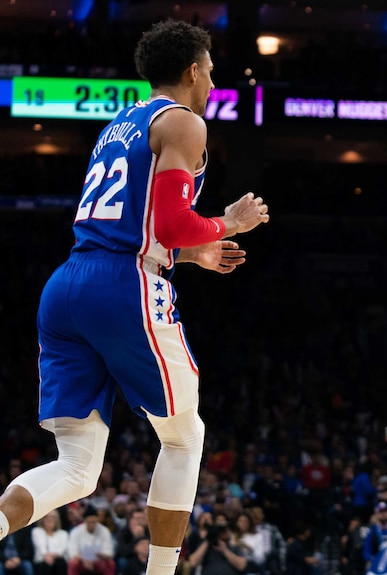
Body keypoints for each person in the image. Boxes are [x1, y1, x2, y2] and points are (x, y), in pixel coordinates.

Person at [0, 17, 269, 575]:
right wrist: (227, 223)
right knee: (185, 435)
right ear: (193, 69)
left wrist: (192, 255)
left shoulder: (118, 124)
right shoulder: (185, 123)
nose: (214, 81)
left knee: (75, 469)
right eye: (212, 70)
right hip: (121, 285)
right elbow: (170, 224)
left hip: (69, 284)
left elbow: (139, 226)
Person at [67, 507, 116, 575]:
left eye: (94, 522)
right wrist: (83, 559)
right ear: (85, 521)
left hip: (99, 561)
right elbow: (72, 552)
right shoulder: (76, 531)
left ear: (97, 520)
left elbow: (109, 552)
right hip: (82, 561)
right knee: (73, 563)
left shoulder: (104, 531)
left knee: (110, 563)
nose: (92, 525)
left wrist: (101, 555)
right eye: (89, 522)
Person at [30, 510, 68, 575]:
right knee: (46, 564)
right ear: (42, 519)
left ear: (57, 519)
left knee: (60, 563)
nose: (50, 519)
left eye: (53, 517)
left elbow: (61, 550)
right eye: (47, 516)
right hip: (41, 560)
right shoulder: (37, 531)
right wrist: (47, 556)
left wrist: (52, 556)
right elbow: (41, 547)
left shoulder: (63, 533)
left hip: (58, 559)